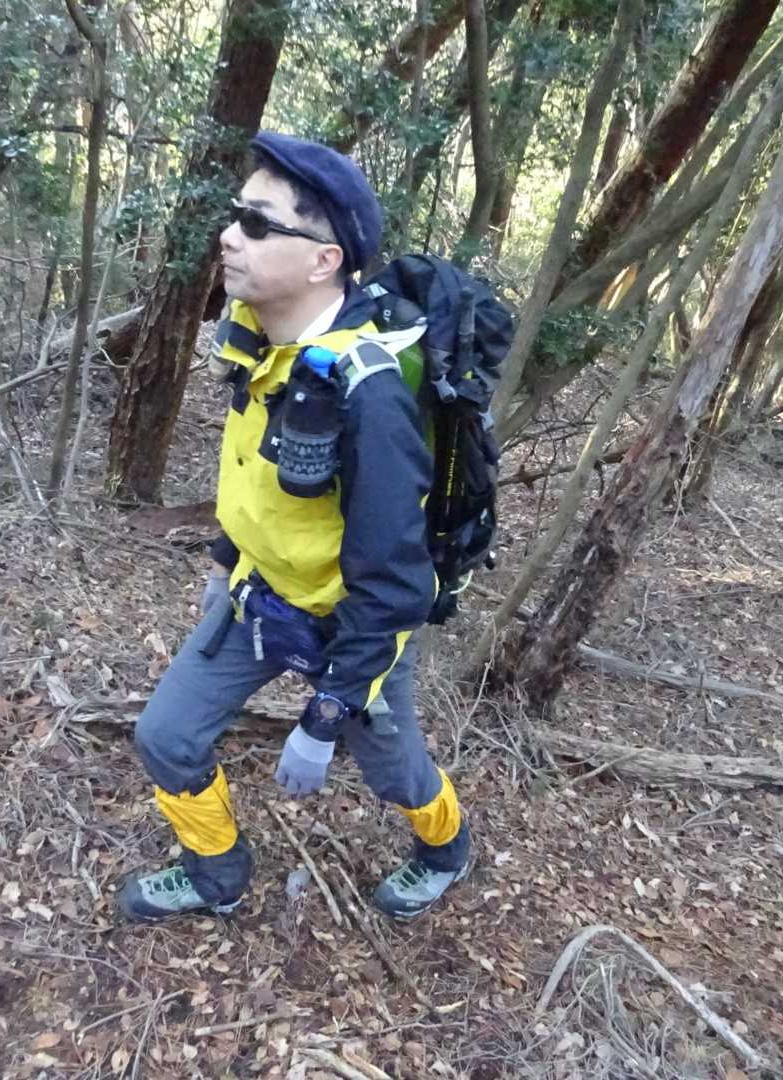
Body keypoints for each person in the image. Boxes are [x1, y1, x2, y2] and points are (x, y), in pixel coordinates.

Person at [117, 132, 471, 922]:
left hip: (353, 632)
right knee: (167, 736)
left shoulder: (370, 393)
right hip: (259, 600)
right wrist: (223, 566)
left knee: (395, 773)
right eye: (234, 215)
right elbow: (249, 474)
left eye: (257, 222)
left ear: (323, 261)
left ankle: (446, 847)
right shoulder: (256, 337)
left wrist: (325, 718)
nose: (229, 235)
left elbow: (396, 585)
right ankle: (216, 873)